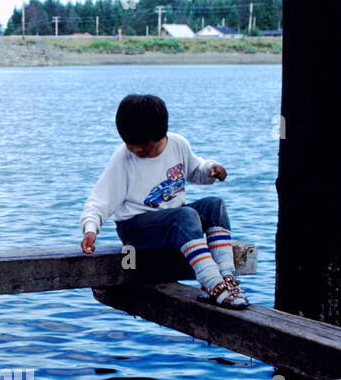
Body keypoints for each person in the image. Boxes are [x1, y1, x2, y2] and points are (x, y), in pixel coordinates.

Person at [79, 93, 248, 308]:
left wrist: (210, 170)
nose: (137, 149)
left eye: (143, 144)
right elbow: (100, 199)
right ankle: (211, 283)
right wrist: (91, 228)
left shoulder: (178, 144)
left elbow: (196, 169)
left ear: (161, 135)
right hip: (136, 229)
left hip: (174, 222)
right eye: (130, 144)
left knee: (214, 205)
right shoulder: (123, 158)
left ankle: (226, 277)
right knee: (184, 216)